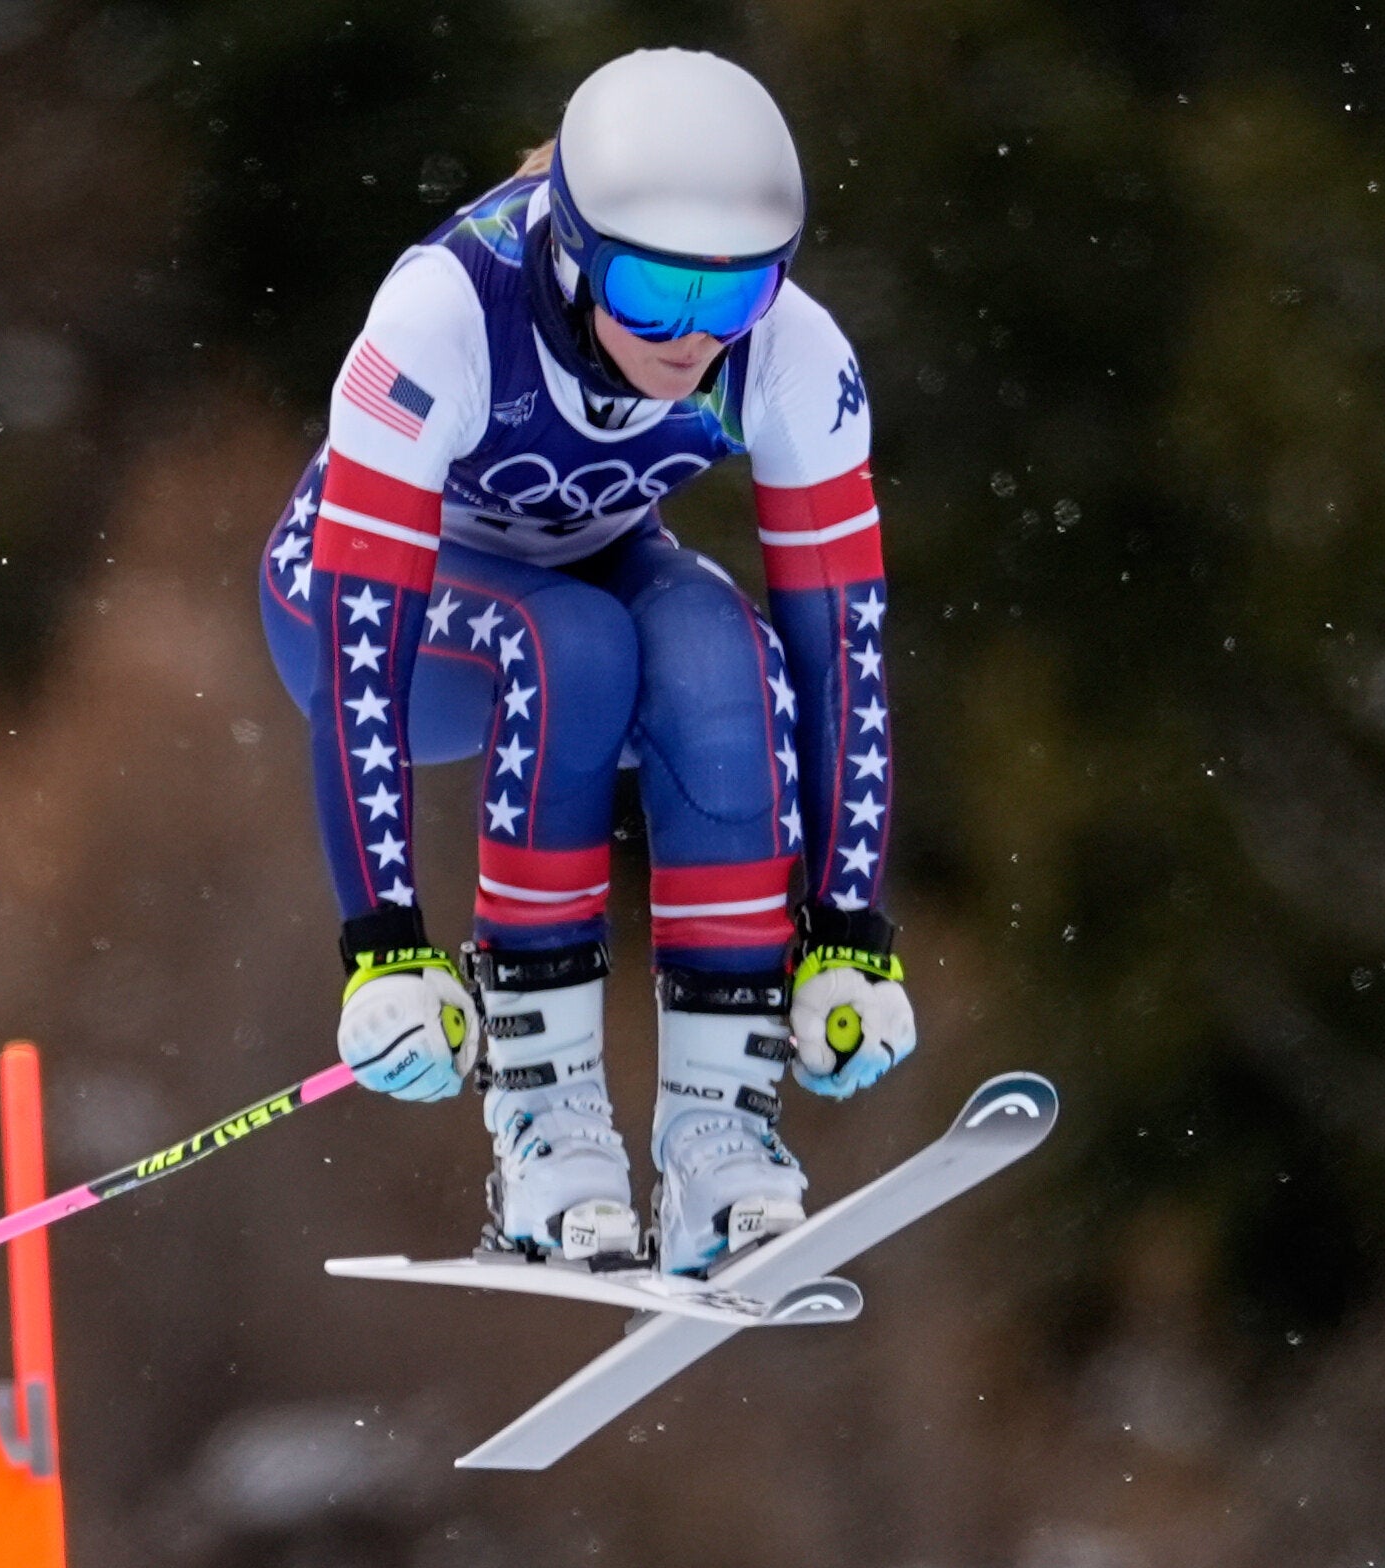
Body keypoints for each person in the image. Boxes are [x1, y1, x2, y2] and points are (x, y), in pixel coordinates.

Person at [258, 47, 915, 1276]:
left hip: (586, 573)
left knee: (726, 652)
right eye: (652, 295)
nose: (689, 341)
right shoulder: (446, 313)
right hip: (373, 623)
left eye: (729, 300)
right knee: (571, 645)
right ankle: (545, 1128)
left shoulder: (791, 352)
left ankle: (721, 1132)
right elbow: (361, 647)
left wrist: (850, 927)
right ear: (570, 250)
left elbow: (845, 646)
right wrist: (384, 944)